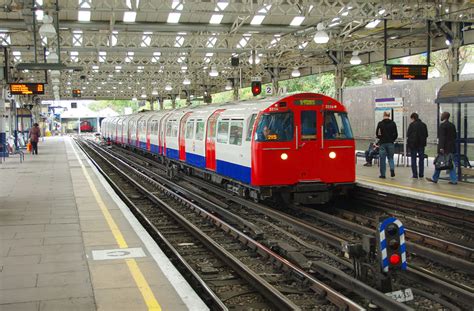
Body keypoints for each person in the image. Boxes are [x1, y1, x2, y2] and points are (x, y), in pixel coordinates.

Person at [427, 111, 457, 184]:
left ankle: (435, 178)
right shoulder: (452, 125)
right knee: (450, 164)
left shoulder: (442, 126)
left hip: (444, 148)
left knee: (439, 162)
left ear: (444, 117)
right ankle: (454, 180)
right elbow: (455, 136)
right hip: (451, 147)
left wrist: (441, 147)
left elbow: (442, 137)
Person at [376, 111, 398, 178]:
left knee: (382, 159)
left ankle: (383, 175)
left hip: (382, 144)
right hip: (390, 143)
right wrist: (392, 140)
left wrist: (381, 138)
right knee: (390, 158)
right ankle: (392, 169)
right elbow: (396, 134)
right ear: (389, 116)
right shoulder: (393, 123)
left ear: (384, 115)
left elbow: (377, 133)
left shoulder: (380, 124)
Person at [406, 112, 428, 178]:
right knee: (421, 159)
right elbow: (426, 135)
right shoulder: (424, 125)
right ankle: (421, 174)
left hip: (413, 145)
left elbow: (408, 134)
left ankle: (415, 174)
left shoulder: (411, 125)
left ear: (413, 118)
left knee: (413, 159)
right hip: (421, 145)